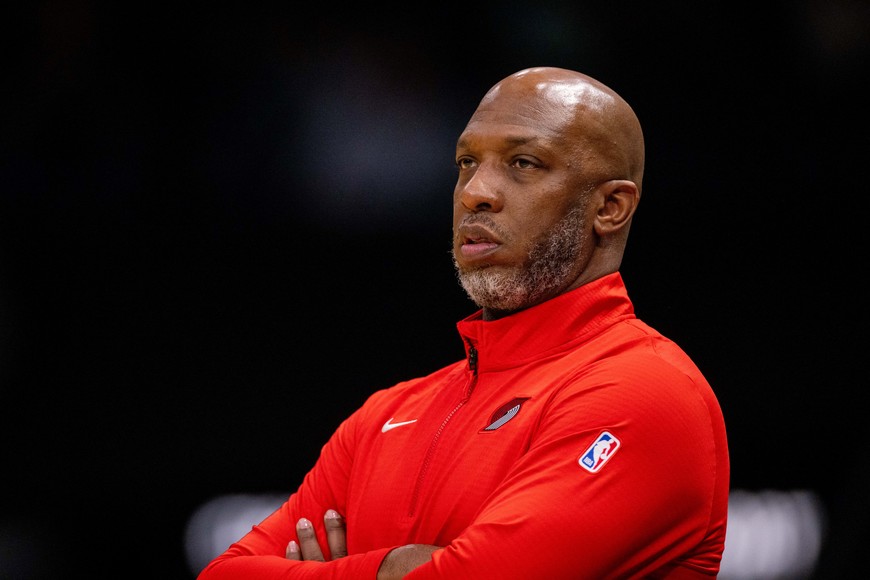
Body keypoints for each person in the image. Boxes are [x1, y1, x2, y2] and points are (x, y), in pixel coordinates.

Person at [197, 66, 730, 579]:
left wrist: (339, 570)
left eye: (524, 162)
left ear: (610, 207)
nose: (476, 192)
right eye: (466, 163)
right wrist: (392, 568)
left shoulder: (644, 390)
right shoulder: (384, 417)